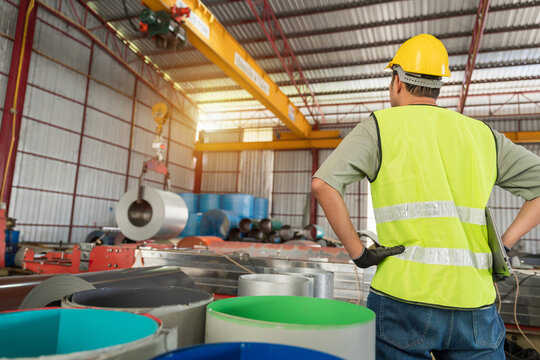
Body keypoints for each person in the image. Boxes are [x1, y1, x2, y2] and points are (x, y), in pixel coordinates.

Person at [312, 33, 540, 359]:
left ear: (397, 81)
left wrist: (359, 252)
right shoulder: (481, 135)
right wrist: (503, 243)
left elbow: (323, 185)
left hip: (400, 298)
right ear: (438, 85)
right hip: (473, 300)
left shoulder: (380, 127)